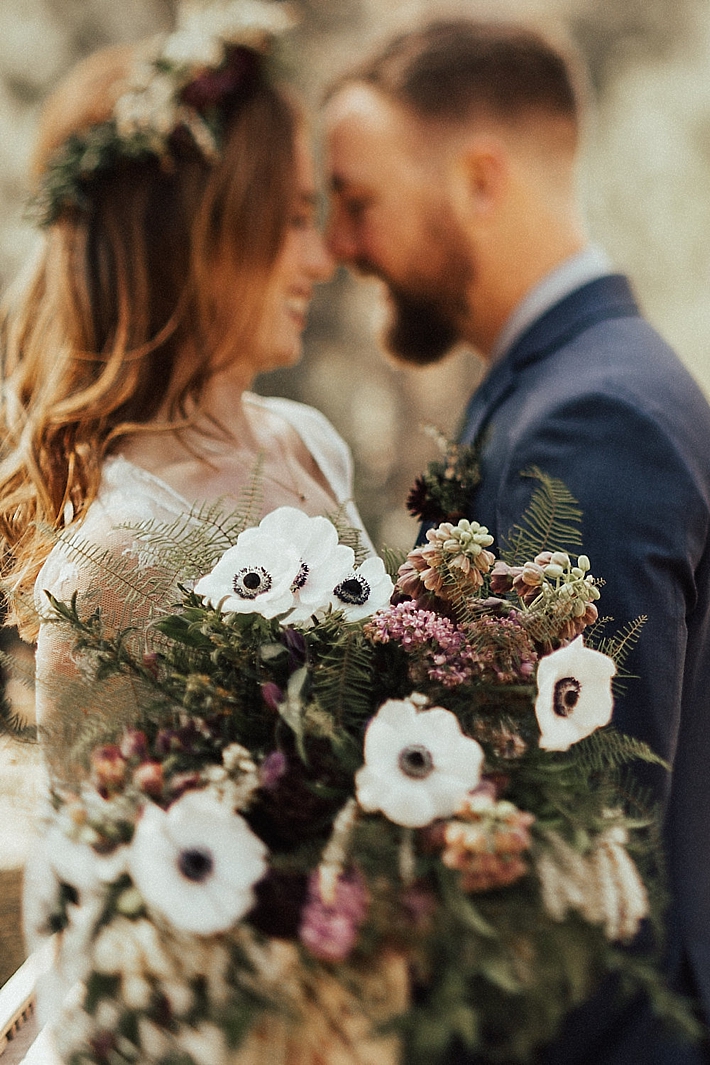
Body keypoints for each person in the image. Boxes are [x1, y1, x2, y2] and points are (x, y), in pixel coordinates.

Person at [324, 17, 710, 1065]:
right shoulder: (558, 390)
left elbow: (591, 863)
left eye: (358, 202)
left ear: (479, 179)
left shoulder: (596, 419)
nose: (341, 247)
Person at [0, 2, 379, 741]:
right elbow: (91, 849)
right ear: (197, 242)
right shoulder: (108, 563)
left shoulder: (311, 441)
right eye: (293, 219)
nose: (320, 261)